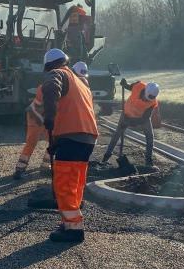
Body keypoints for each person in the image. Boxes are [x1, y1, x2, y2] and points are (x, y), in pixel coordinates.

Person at [42, 48, 98, 243]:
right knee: (75, 182)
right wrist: (57, 143)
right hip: (87, 138)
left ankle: (73, 231)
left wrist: (48, 116)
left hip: (73, 137)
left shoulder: (57, 73)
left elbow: (50, 87)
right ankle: (71, 222)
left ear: (49, 65)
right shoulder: (80, 81)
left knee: (64, 184)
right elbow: (73, 112)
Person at [102, 78, 160, 167]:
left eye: (150, 99)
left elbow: (145, 118)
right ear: (145, 90)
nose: (147, 100)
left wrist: (132, 122)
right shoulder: (138, 86)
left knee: (150, 136)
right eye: (146, 97)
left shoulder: (153, 102)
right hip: (126, 114)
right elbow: (130, 87)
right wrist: (124, 84)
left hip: (141, 118)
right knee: (117, 134)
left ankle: (148, 160)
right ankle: (106, 157)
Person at [13, 84, 51, 180]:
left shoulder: (61, 87)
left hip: (44, 116)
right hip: (34, 116)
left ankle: (45, 167)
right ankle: (20, 169)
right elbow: (34, 109)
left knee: (53, 140)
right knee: (31, 142)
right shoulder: (45, 88)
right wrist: (43, 121)